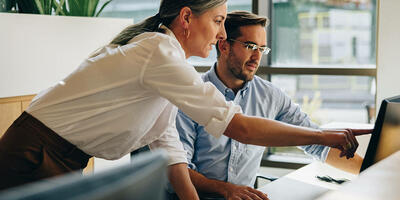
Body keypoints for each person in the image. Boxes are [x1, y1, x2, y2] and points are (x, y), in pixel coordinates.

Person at [0, 1, 364, 199]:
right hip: (36, 153)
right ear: (187, 17)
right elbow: (239, 127)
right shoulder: (159, 54)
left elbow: (170, 153)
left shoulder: (167, 67)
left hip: (57, 156)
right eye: (219, 20)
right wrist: (324, 136)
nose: (222, 33)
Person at [175, 11, 368, 200]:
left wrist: (371, 171)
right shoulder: (191, 95)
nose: (257, 57)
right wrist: (226, 190)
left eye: (262, 49)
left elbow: (317, 144)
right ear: (224, 46)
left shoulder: (271, 95)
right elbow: (178, 168)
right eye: (250, 46)